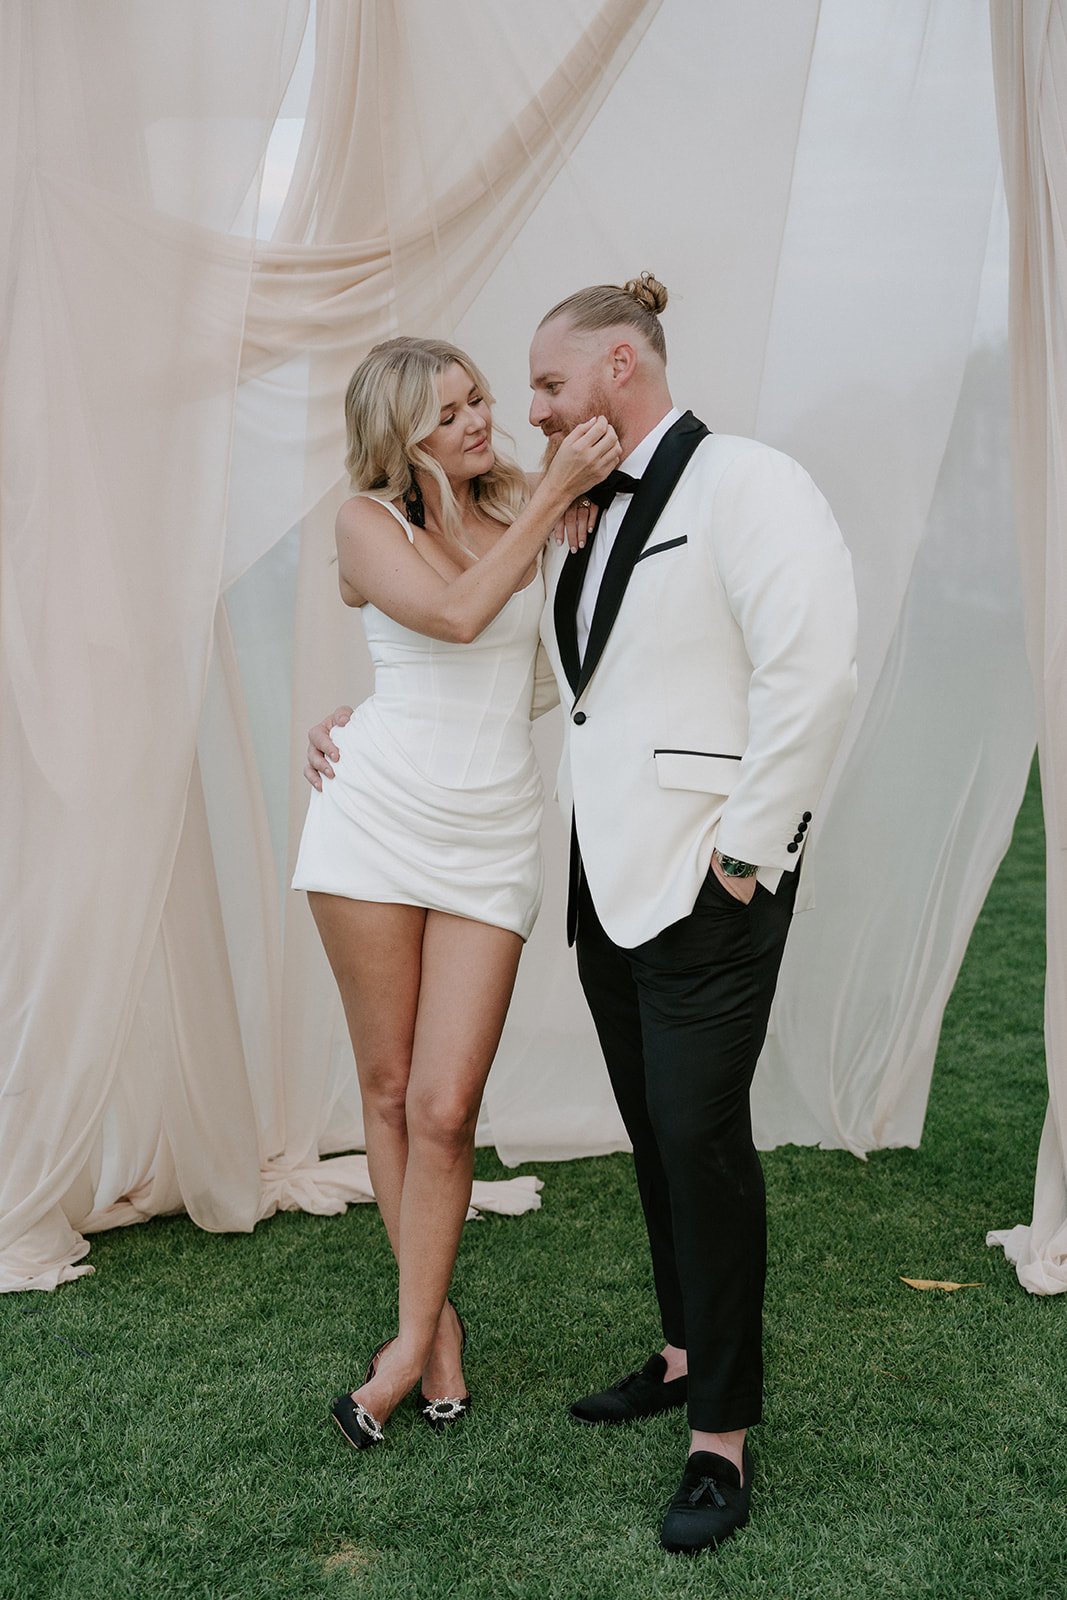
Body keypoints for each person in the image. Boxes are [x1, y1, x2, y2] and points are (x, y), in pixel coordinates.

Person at [307, 275, 857, 1554]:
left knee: (692, 1136)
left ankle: (718, 1436)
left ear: (618, 365)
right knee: (644, 1135)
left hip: (698, 873)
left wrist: (748, 855)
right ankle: (669, 1354)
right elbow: (518, 656)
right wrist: (361, 724)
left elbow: (807, 671)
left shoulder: (745, 482)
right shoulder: (556, 514)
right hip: (581, 878)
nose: (522, 412)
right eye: (479, 400)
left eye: (536, 387)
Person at [292, 335, 620, 1452]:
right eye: (448, 414)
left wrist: (562, 494)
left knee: (445, 1107)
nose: (479, 420)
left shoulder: (529, 502)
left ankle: (416, 1323)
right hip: (371, 823)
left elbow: (530, 661)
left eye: (479, 397)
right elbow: (449, 618)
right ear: (398, 436)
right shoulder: (363, 524)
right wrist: (355, 722)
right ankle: (422, 1338)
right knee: (386, 1090)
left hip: (488, 832)